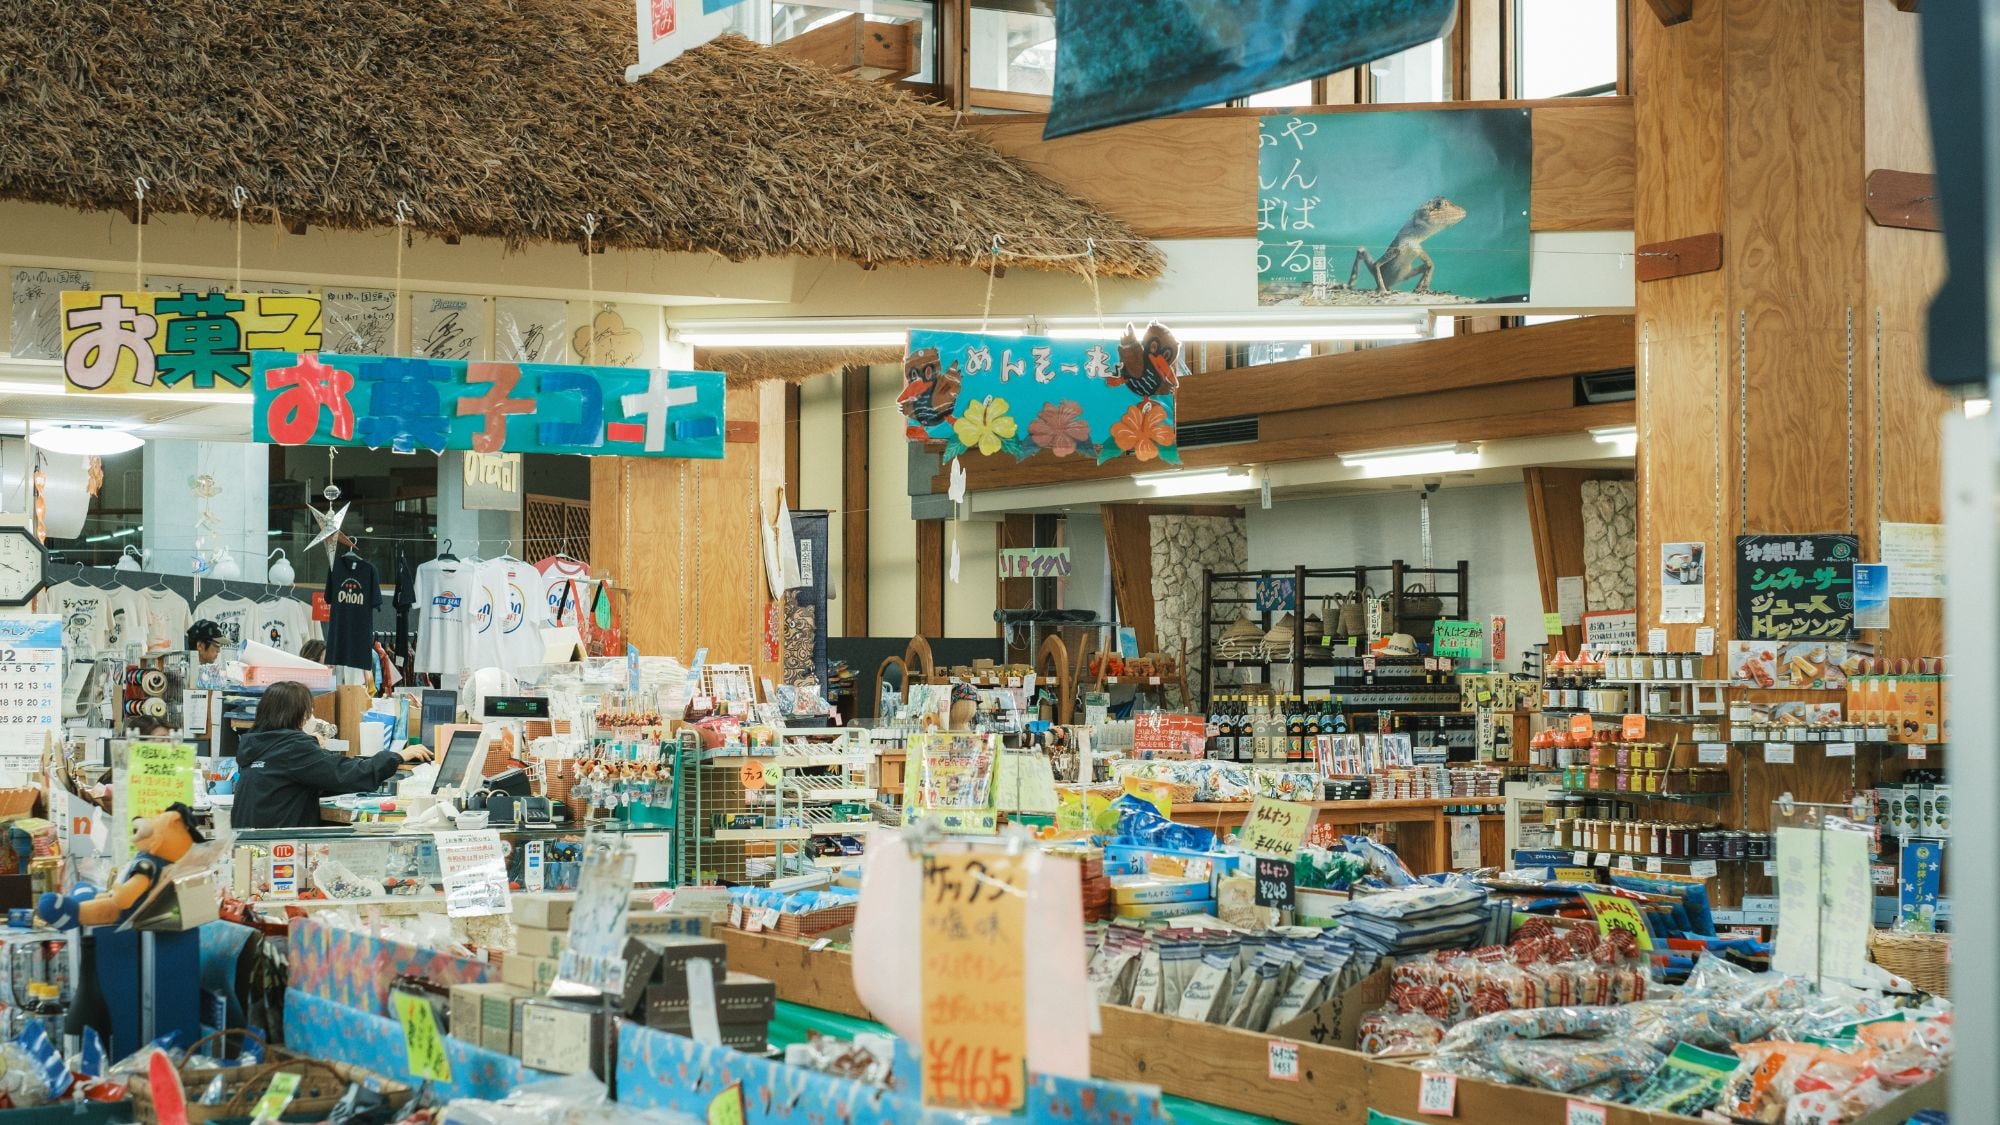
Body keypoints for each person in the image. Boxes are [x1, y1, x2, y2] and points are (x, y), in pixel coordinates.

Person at [230, 681, 430, 829]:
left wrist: (311, 746)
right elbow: (346, 773)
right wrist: (397, 756)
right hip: (283, 852)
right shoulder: (293, 748)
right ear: (301, 716)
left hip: (248, 849)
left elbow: (298, 776)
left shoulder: (255, 746)